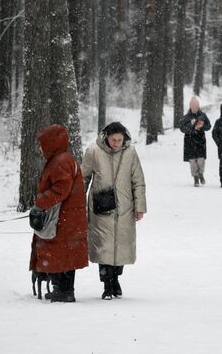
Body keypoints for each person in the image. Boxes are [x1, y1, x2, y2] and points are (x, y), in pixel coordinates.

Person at [81, 122, 147, 299]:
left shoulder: (131, 152)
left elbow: (138, 180)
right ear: (106, 137)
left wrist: (140, 207)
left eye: (119, 140)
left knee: (121, 246)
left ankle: (115, 277)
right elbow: (83, 178)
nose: (116, 143)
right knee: (104, 247)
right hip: (100, 207)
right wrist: (78, 203)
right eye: (113, 140)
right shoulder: (93, 151)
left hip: (125, 207)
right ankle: (107, 285)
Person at [29, 124, 88, 303]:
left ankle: (62, 291)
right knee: (66, 254)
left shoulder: (60, 161)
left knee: (55, 251)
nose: (41, 148)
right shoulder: (63, 159)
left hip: (63, 218)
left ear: (52, 143)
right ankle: (65, 290)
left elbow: (61, 189)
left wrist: (40, 201)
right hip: (68, 217)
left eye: (43, 143)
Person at [179, 97, 212, 186]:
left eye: (197, 107)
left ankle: (201, 174)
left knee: (201, 160)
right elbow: (182, 128)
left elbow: (209, 126)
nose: (195, 109)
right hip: (190, 141)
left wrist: (202, 126)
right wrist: (191, 126)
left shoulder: (203, 115)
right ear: (190, 107)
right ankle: (195, 177)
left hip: (200, 141)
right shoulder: (186, 117)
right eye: (193, 107)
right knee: (192, 161)